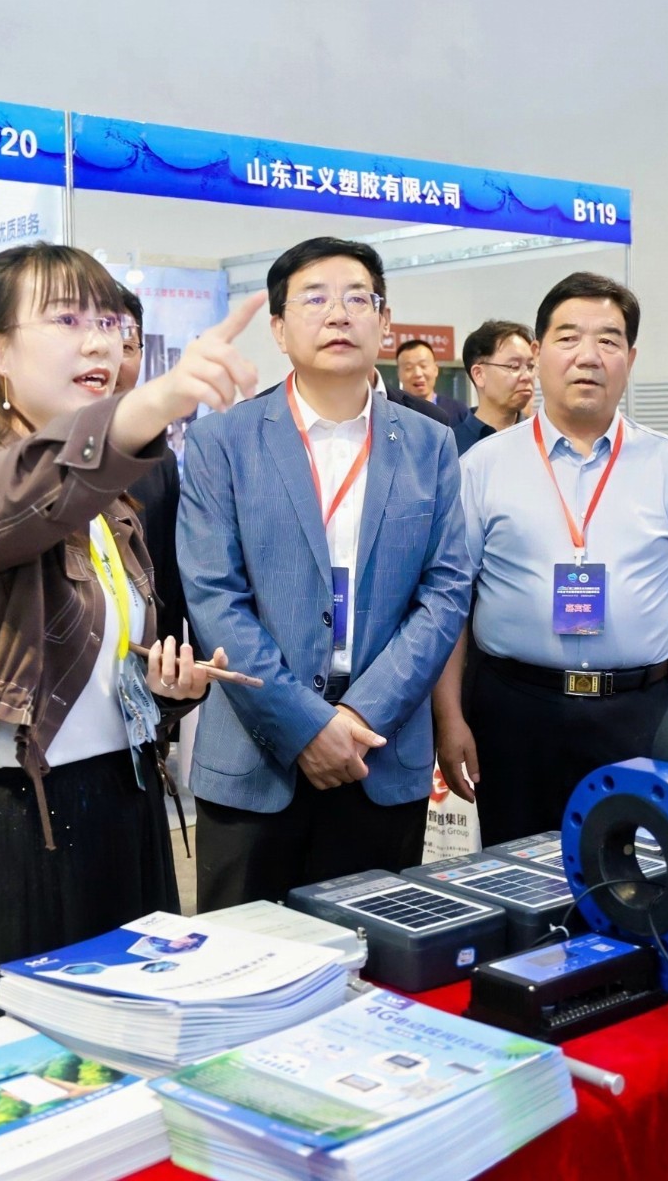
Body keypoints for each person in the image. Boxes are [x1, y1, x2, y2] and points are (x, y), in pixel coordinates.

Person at [0, 242, 255, 1033]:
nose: (97, 342)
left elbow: (103, 670)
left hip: (127, 805)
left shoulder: (113, 504)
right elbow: (21, 498)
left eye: (106, 323)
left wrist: (163, 687)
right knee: (27, 1066)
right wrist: (157, 399)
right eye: (66, 321)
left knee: (134, 1044)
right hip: (22, 820)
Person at [179, 236, 472, 909]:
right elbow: (215, 597)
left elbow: (446, 590)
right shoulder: (223, 441)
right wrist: (306, 725)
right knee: (247, 958)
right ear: (278, 329)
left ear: (384, 322)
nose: (338, 314)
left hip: (379, 750)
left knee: (377, 955)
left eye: (357, 299)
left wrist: (362, 714)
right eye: (314, 299)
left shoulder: (429, 444)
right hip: (256, 756)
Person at [433, 272, 668, 846]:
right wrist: (450, 719)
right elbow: (451, 604)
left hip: (640, 713)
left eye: (608, 340)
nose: (588, 356)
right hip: (514, 713)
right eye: (568, 338)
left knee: (641, 873)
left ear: (630, 358)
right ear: (539, 353)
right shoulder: (482, 467)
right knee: (518, 876)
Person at [115, 285, 190, 649]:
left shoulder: (158, 458)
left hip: (148, 663)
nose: (112, 360)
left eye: (127, 347)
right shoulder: (35, 461)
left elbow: (169, 578)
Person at [452, 319, 536, 456]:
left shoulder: (544, 437)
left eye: (530, 366)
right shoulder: (452, 447)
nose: (527, 376)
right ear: (479, 374)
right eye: (514, 366)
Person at [396, 337, 470, 425]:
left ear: (435, 369)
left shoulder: (459, 411)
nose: (418, 374)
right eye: (409, 368)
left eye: (423, 366)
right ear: (399, 374)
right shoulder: (392, 411)